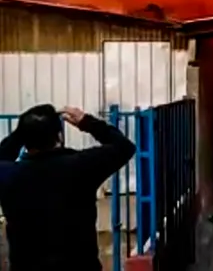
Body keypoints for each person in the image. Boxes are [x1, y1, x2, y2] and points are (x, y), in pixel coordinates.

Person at [0, 104, 136, 271]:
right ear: (59, 136)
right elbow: (124, 147)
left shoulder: (8, 175)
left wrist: (22, 133)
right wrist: (87, 122)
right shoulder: (81, 166)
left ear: (24, 142)